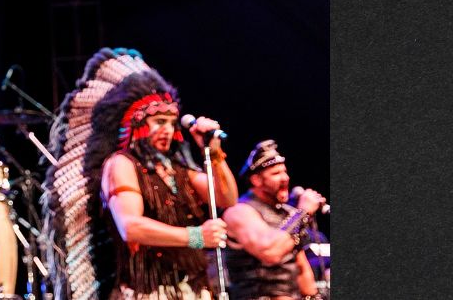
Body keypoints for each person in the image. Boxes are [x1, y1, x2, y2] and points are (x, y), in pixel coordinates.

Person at [41, 48, 237, 300]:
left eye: (171, 122)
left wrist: (214, 153)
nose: (167, 129)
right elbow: (130, 227)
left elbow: (226, 200)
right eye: (159, 121)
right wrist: (196, 236)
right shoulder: (120, 164)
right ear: (136, 124)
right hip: (145, 291)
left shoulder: (179, 171)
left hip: (192, 289)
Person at [222, 140, 326, 300]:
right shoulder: (239, 211)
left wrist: (313, 296)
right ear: (256, 180)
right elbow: (270, 252)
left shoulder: (289, 214)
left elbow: (300, 266)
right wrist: (303, 212)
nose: (285, 178)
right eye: (276, 173)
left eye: (284, 172)